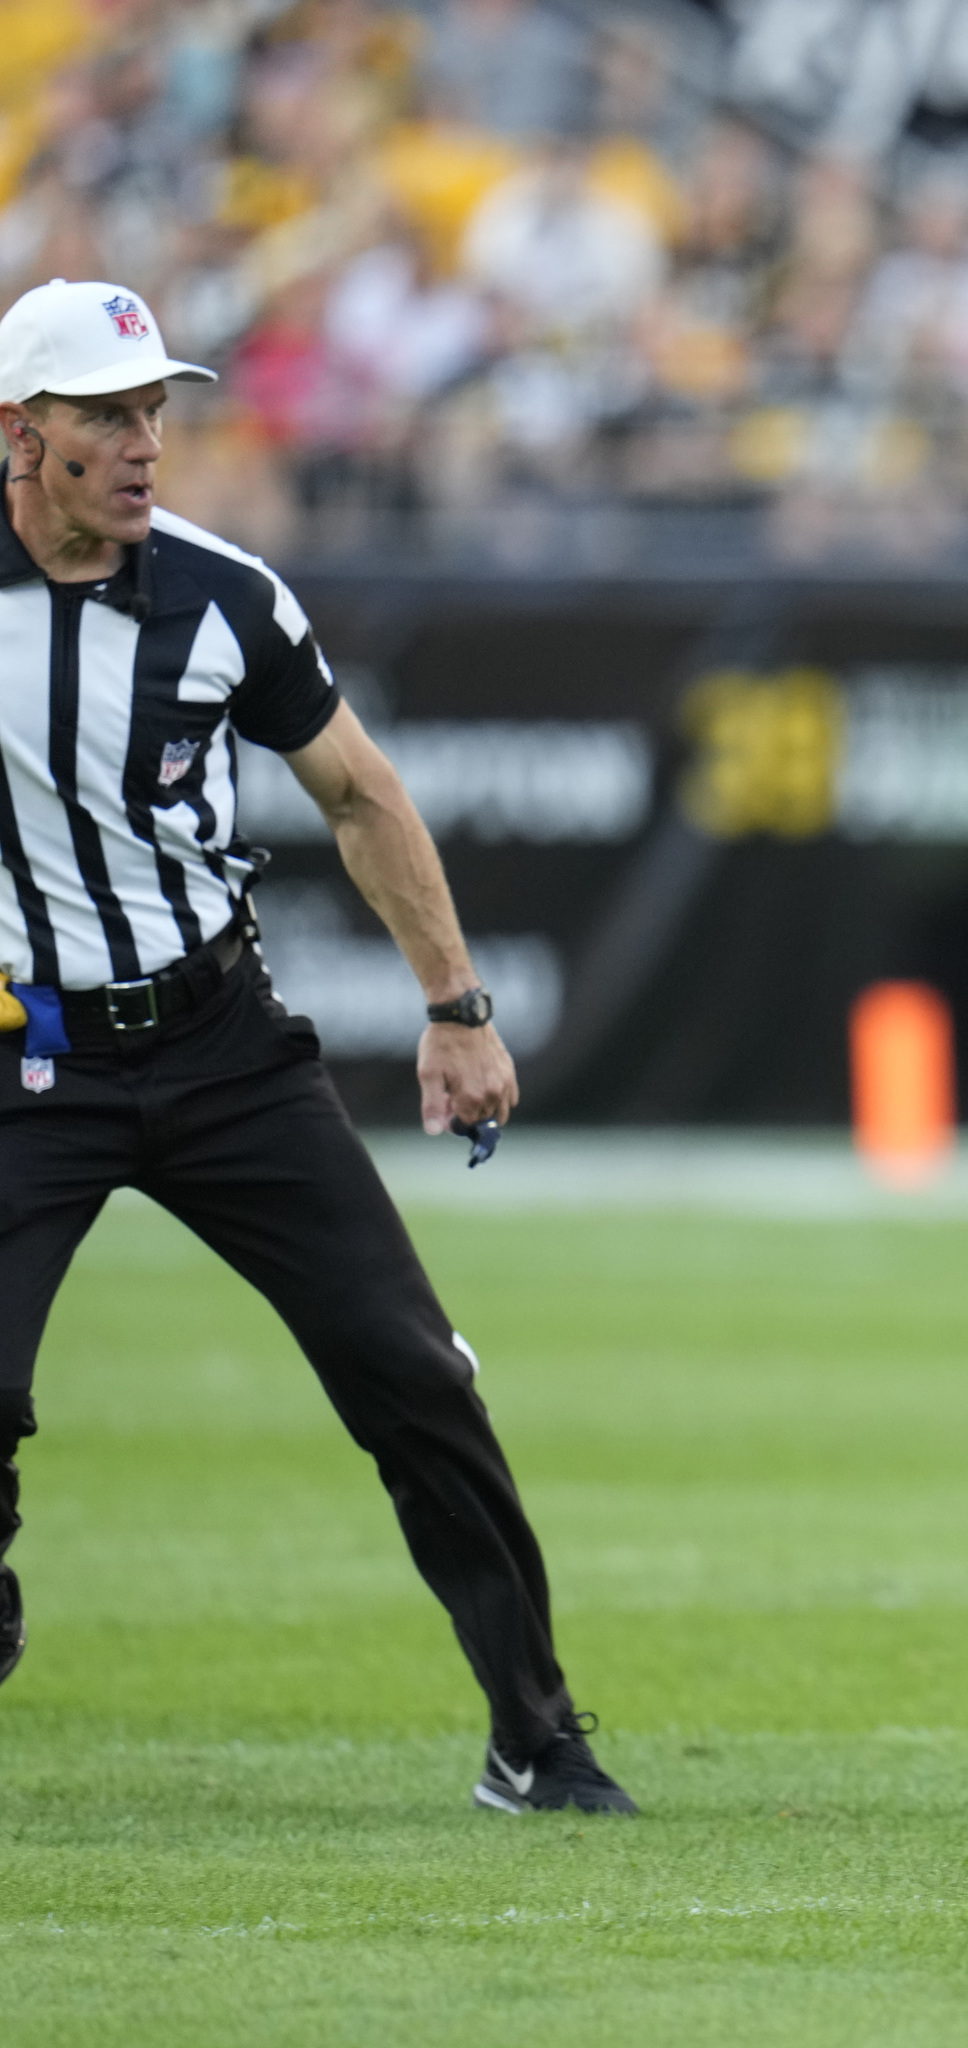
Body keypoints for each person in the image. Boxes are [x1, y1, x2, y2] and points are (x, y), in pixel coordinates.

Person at [0, 280, 632, 1815]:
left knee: (414, 1376)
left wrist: (457, 1009)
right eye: (106, 417)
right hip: (27, 1066)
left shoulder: (222, 597)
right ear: (20, 436)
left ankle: (536, 1739)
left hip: (220, 1045)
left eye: (156, 410)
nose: (146, 443)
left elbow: (360, 793)